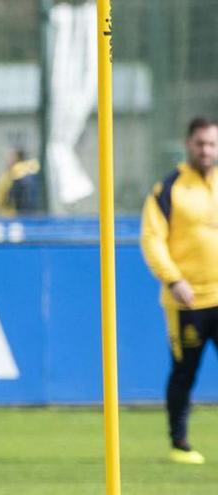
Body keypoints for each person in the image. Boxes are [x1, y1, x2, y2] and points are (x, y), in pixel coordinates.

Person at [141, 116, 218, 465]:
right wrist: (174, 279)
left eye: (212, 144)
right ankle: (180, 442)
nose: (206, 150)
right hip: (187, 300)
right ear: (189, 144)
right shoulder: (169, 188)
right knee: (185, 370)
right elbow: (152, 239)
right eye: (201, 143)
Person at [0, 147, 40, 216]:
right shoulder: (32, 169)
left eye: (11, 156)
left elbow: (2, 198)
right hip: (30, 214)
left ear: (17, 158)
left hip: (13, 215)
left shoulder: (13, 174)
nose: (8, 159)